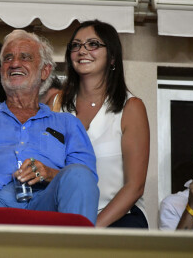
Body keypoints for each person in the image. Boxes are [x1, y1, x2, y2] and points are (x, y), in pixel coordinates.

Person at [0, 29, 99, 224]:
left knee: (78, 175)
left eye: (25, 57)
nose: (15, 63)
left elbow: (85, 177)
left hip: (45, 201)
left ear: (45, 71)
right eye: (8, 58)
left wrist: (50, 173)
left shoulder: (67, 123)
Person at [49, 20, 150, 228]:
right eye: (75, 45)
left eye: (93, 44)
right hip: (66, 218)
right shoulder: (56, 104)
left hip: (118, 219)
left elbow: (135, 186)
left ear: (112, 57)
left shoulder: (131, 107)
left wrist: (91, 230)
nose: (82, 50)